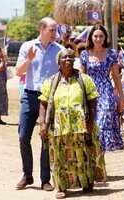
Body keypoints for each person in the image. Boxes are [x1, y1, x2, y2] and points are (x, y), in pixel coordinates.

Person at [38, 48, 106, 199]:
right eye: (64, 57)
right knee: (60, 156)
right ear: (58, 61)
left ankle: (87, 182)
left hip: (82, 123)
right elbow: (43, 104)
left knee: (85, 153)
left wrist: (90, 121)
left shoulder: (84, 79)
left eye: (71, 57)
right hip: (59, 125)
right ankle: (62, 187)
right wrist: (42, 124)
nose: (68, 59)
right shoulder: (50, 82)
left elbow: (92, 101)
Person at [15, 17, 64, 191]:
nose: (55, 33)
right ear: (42, 28)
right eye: (52, 30)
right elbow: (18, 72)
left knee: (46, 138)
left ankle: (45, 179)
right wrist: (28, 60)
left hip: (50, 100)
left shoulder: (60, 50)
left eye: (55, 30)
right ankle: (27, 176)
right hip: (29, 96)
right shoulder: (27, 46)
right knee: (23, 137)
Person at [80, 24, 124, 151]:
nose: (98, 39)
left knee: (103, 122)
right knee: (91, 125)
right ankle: (95, 162)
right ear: (91, 37)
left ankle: (100, 159)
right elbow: (82, 77)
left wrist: (121, 99)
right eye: (96, 36)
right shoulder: (85, 54)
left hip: (106, 92)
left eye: (101, 36)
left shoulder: (111, 53)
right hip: (90, 92)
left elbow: (116, 77)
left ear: (105, 37)